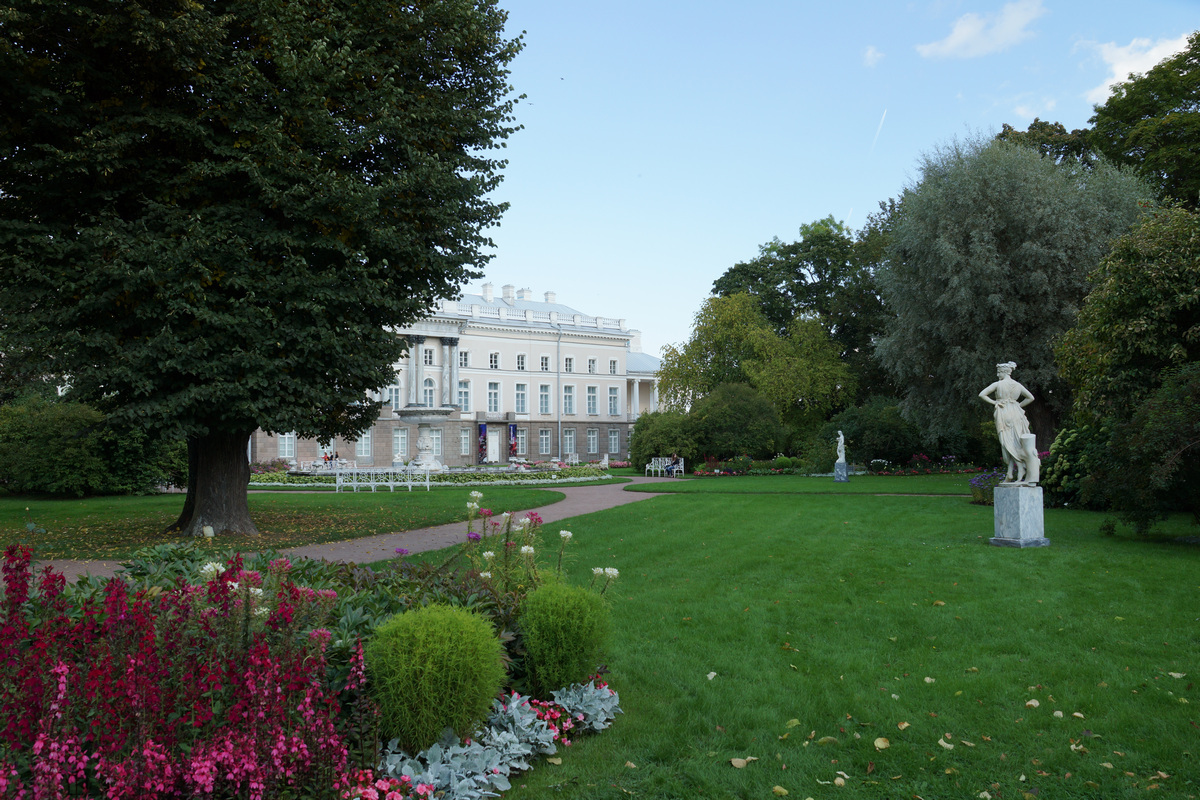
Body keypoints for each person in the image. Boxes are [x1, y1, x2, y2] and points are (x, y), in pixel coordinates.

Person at [978, 362, 1037, 482]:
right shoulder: (1017, 385)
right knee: (1016, 442)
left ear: (1004, 372)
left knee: (1007, 443)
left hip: (1004, 412)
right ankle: (1011, 472)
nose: (997, 374)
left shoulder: (998, 384)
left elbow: (982, 394)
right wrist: (1018, 406)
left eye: (999, 372)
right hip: (1016, 414)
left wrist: (995, 402)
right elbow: (1030, 398)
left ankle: (1018, 469)